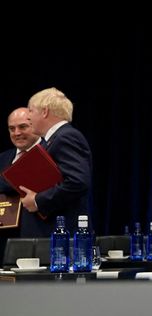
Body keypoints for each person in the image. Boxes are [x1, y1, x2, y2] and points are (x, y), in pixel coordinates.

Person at [23, 87, 92, 236]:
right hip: (50, 230)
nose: (28, 117)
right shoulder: (50, 141)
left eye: (30, 110)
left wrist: (37, 200)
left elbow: (77, 182)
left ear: (45, 111)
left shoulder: (66, 137)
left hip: (62, 234)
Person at [0, 108, 41, 255]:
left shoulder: (50, 155)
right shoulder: (2, 158)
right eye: (12, 128)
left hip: (38, 240)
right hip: (4, 243)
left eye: (23, 127)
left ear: (35, 126)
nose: (17, 133)